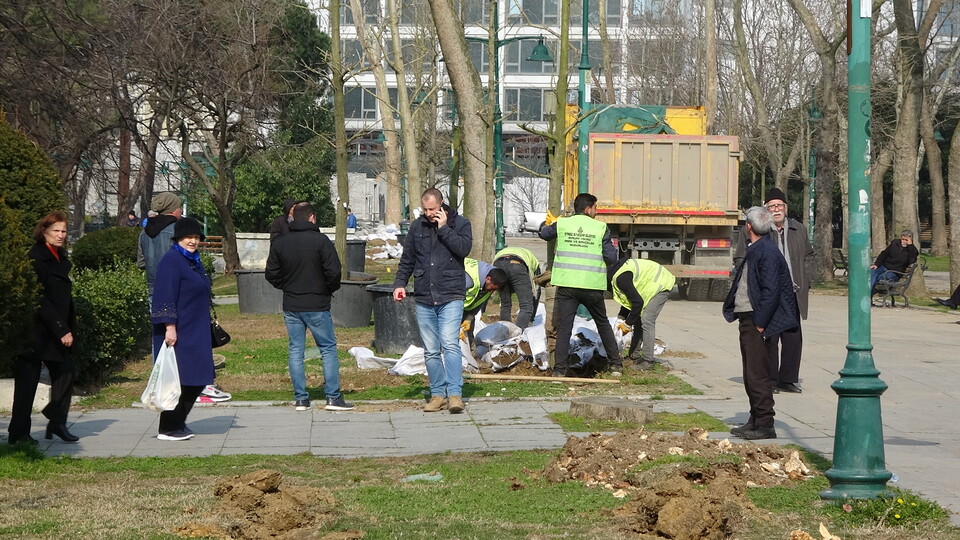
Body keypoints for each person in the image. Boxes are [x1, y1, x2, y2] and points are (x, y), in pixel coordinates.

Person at [138, 193, 230, 403]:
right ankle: (198, 384)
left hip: (153, 287)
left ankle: (162, 381)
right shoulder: (176, 232)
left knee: (162, 343)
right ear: (174, 210)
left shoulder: (144, 233)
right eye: (179, 208)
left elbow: (141, 262)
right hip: (179, 288)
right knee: (186, 339)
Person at [266, 202, 353, 412]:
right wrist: (326, 289)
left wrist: (285, 285)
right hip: (317, 303)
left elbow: (271, 274)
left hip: (292, 303)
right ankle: (332, 397)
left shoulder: (281, 242)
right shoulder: (321, 241)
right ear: (312, 217)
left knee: (296, 350)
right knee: (327, 349)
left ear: (293, 218)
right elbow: (334, 272)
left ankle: (301, 399)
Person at [722, 206, 799, 441]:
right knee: (751, 372)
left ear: (748, 227)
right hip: (749, 318)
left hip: (757, 321)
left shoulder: (766, 251)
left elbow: (771, 290)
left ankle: (765, 423)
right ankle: (755, 419)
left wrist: (760, 323)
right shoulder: (759, 248)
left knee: (758, 374)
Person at [392, 188, 473, 413]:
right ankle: (437, 394)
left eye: (433, 209)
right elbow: (407, 259)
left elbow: (463, 249)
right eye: (425, 209)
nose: (429, 213)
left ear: (442, 205)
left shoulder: (460, 224)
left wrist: (444, 228)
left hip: (451, 294)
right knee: (430, 349)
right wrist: (399, 283)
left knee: (449, 344)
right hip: (424, 295)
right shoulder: (417, 227)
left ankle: (455, 394)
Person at [8, 212, 80, 445]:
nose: (61, 235)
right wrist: (61, 329)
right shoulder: (36, 256)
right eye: (56, 231)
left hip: (54, 329)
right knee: (26, 385)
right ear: (44, 232)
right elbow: (40, 299)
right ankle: (18, 434)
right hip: (35, 331)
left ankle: (56, 420)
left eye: (64, 231)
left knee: (66, 372)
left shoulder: (59, 256)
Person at [734, 188, 813, 394]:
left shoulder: (799, 229)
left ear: (786, 208)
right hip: (770, 291)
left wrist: (806, 280)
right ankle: (770, 378)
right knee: (770, 337)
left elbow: (808, 256)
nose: (776, 209)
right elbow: (741, 257)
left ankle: (788, 379)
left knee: (793, 336)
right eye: (771, 206)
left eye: (779, 206)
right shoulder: (760, 229)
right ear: (766, 210)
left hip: (794, 290)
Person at [539, 193, 623, 377]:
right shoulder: (601, 228)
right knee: (602, 324)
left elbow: (544, 234)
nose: (597, 211)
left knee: (564, 328)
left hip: (567, 286)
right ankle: (616, 365)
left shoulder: (562, 224)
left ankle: (560, 370)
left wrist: (549, 223)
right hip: (592, 285)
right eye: (595, 207)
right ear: (588, 209)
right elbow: (611, 257)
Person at [151, 217, 216, 441]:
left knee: (198, 378)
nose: (193, 241)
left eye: (197, 237)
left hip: (196, 328)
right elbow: (164, 295)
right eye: (189, 237)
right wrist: (169, 327)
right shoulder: (172, 260)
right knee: (178, 380)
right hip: (179, 330)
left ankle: (178, 421)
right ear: (178, 238)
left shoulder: (193, 260)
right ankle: (168, 427)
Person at [611, 258, 676, 370]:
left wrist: (627, 323)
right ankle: (633, 357)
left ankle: (648, 361)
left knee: (647, 320)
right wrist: (620, 318)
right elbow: (629, 300)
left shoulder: (621, 279)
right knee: (638, 319)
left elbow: (637, 303)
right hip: (651, 283)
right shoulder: (618, 275)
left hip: (661, 283)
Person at [460, 258, 508, 346]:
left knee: (468, 330)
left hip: (464, 306)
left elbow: (479, 300)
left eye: (495, 290)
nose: (492, 292)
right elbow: (451, 300)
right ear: (488, 279)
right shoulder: (468, 280)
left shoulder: (493, 279)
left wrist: (469, 318)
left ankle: (470, 353)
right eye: (492, 289)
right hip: (447, 300)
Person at [493, 246, 541, 329]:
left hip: (498, 263)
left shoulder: (507, 251)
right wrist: (530, 319)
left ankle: (505, 332)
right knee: (526, 306)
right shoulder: (535, 262)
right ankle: (519, 335)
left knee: (505, 303)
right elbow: (536, 291)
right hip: (517, 264)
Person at [869, 230, 919, 302]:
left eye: (906, 240)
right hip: (884, 266)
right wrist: (876, 264)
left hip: (895, 272)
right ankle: (868, 297)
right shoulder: (895, 243)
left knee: (880, 277)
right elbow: (884, 254)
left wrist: (910, 245)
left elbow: (912, 260)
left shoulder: (913, 250)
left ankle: (869, 295)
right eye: (902, 239)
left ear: (910, 240)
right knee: (872, 273)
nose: (904, 241)